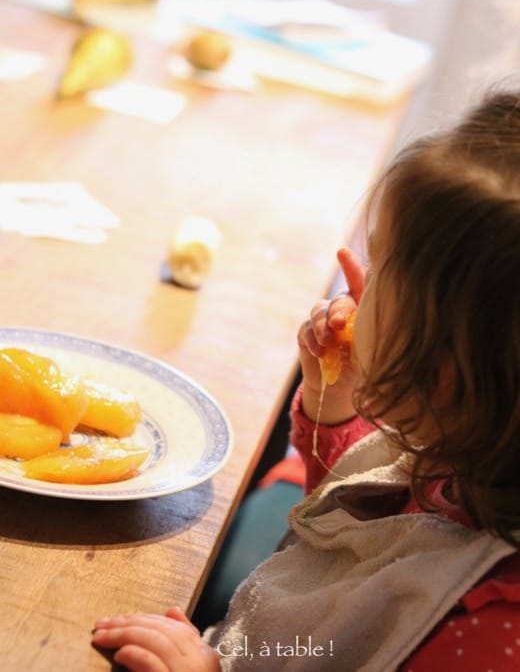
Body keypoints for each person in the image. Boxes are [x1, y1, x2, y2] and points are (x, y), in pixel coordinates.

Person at [91, 88, 520, 671]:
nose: (357, 284)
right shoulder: (469, 449)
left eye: (383, 270)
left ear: (440, 374)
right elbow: (357, 517)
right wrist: (338, 400)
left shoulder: (480, 632)